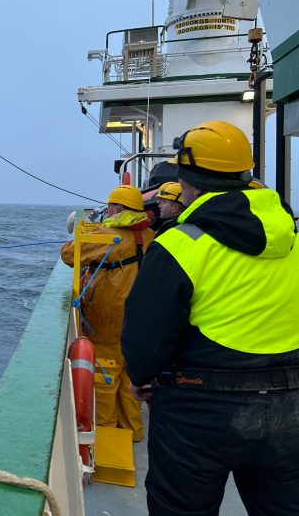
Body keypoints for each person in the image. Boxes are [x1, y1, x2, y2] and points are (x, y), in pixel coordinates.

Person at [122, 120, 299, 515]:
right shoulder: (292, 240)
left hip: (199, 410)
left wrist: (141, 378)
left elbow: (145, 338)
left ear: (189, 181)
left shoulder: (180, 245)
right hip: (292, 406)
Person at [61, 184, 155, 441]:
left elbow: (69, 255)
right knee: (129, 381)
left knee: (105, 378)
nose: (108, 210)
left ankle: (107, 437)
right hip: (140, 322)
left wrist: (88, 232)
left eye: (112, 205)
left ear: (120, 208)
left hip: (108, 321)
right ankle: (133, 432)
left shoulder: (109, 236)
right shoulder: (150, 236)